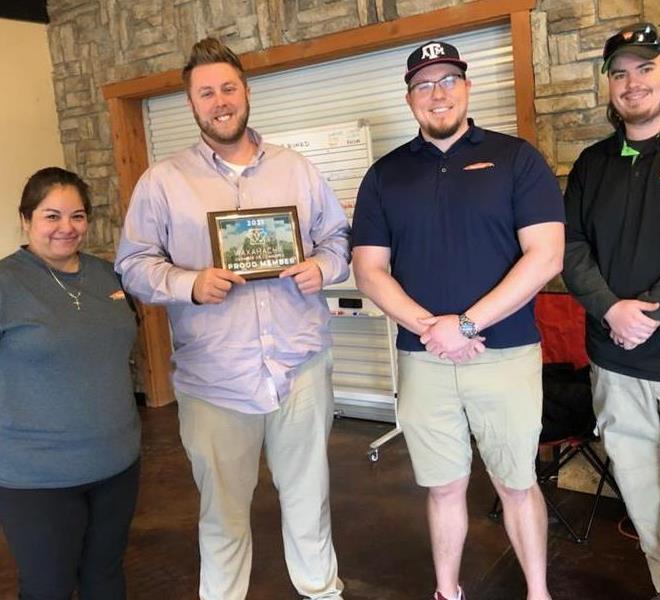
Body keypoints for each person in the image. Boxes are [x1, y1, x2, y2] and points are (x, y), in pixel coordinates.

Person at [115, 37, 349, 600]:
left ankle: (323, 592)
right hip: (215, 379)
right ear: (191, 104)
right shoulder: (161, 181)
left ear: (245, 92)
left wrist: (323, 265)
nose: (219, 101)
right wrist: (188, 284)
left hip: (299, 368)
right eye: (205, 93)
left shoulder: (297, 169)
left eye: (228, 88)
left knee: (309, 500)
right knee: (221, 513)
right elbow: (134, 266)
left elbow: (338, 238)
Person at [352, 40, 564, 600]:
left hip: (506, 352)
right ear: (409, 98)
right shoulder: (384, 175)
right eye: (423, 84)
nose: (437, 93)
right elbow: (369, 271)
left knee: (516, 484)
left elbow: (546, 256)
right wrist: (433, 328)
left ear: (467, 88)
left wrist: (466, 325)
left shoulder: (518, 159)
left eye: (448, 80)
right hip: (424, 359)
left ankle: (537, 591)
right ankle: (448, 591)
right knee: (444, 486)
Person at [562, 22, 660, 600]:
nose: (632, 82)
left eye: (646, 67)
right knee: (642, 493)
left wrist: (649, 311)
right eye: (619, 72)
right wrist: (611, 309)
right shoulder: (593, 163)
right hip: (616, 365)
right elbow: (570, 247)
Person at [0, 167, 141, 600]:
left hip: (117, 465)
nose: (67, 228)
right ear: (26, 220)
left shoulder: (108, 275)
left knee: (105, 577)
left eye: (77, 216)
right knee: (49, 589)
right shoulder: (6, 282)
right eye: (51, 216)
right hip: (37, 478)